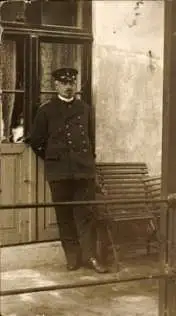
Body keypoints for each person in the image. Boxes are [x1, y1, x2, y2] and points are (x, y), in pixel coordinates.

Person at [28, 67, 108, 273]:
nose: (68, 87)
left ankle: (90, 256)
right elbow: (35, 141)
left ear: (76, 85)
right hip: (59, 172)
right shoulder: (46, 110)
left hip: (83, 171)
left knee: (86, 215)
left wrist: (88, 163)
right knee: (64, 215)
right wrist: (54, 157)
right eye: (64, 83)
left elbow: (90, 139)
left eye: (72, 83)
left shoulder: (85, 109)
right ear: (56, 85)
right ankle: (72, 257)